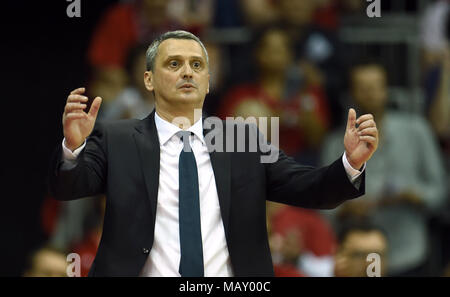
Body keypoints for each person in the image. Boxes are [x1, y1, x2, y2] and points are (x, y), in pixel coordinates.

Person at [49, 30, 379, 277]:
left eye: (196, 65)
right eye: (174, 64)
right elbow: (70, 187)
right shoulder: (117, 137)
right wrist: (73, 147)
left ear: (208, 81)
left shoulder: (241, 140)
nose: (187, 72)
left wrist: (350, 163)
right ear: (148, 79)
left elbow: (310, 188)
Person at [321, 60, 447, 276]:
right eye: (362, 87)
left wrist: (415, 195)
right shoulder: (334, 142)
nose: (370, 93)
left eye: (376, 86)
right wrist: (345, 208)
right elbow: (321, 204)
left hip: (409, 249)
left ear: (386, 90)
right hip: (357, 256)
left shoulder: (416, 130)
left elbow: (441, 189)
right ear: (351, 93)